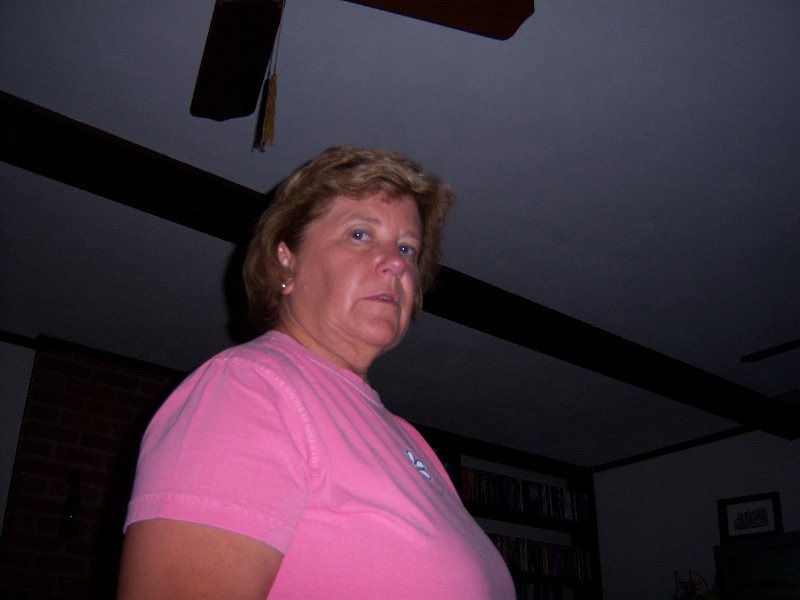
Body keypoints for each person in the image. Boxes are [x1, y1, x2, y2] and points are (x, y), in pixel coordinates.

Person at [117, 146, 515, 599]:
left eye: (407, 247)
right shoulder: (251, 386)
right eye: (361, 234)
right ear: (286, 260)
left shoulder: (408, 440)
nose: (398, 262)